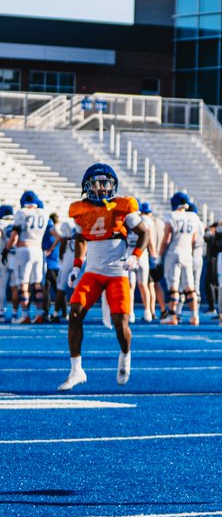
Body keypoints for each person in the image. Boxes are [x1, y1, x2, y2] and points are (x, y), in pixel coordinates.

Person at [59, 163, 150, 391]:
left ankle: (125, 355)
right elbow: (80, 239)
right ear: (88, 186)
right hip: (92, 272)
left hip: (117, 272)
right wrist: (76, 266)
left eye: (106, 183)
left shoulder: (122, 208)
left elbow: (145, 233)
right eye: (97, 183)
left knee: (121, 324)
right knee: (75, 313)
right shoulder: (81, 210)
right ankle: (76, 369)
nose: (102, 188)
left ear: (113, 185)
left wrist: (136, 255)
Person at [160, 192, 204, 326]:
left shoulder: (172, 216)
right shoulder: (194, 217)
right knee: (189, 286)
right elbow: (194, 239)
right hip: (187, 253)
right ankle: (194, 316)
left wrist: (159, 255)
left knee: (173, 286)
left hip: (174, 252)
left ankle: (172, 316)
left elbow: (166, 239)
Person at [8, 191, 49, 324]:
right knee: (37, 284)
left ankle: (25, 314)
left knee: (23, 285)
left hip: (24, 250)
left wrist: (6, 249)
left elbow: (15, 234)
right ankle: (40, 314)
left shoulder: (22, 212)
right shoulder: (43, 213)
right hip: (38, 250)